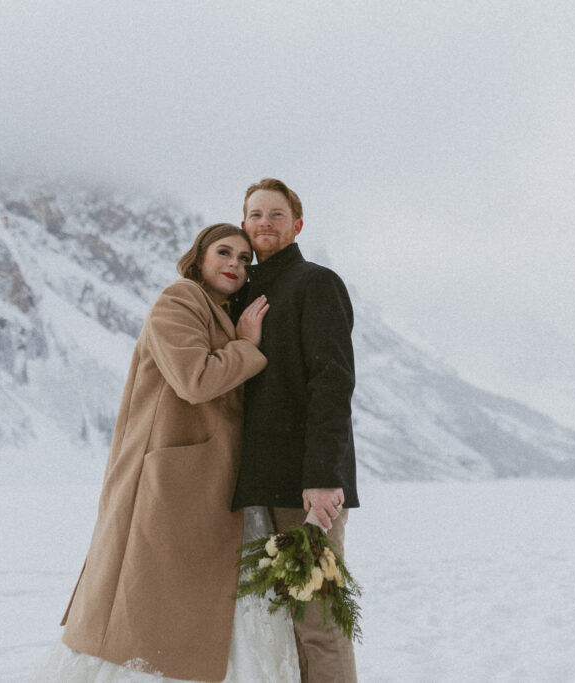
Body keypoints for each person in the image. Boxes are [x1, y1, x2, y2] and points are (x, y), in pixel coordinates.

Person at [40, 223, 300, 682]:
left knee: (196, 603)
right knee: (148, 608)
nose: (235, 265)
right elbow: (194, 379)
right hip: (170, 479)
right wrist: (246, 346)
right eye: (224, 252)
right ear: (198, 257)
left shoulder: (219, 309)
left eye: (244, 260)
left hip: (209, 481)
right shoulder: (179, 299)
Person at [232, 178, 359, 683]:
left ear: (297, 225)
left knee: (318, 621)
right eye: (256, 215)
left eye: (276, 215)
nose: (265, 223)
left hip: (307, 487)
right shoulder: (241, 292)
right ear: (244, 225)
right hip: (255, 483)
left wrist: (324, 479)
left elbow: (333, 383)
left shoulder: (315, 283)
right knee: (274, 621)